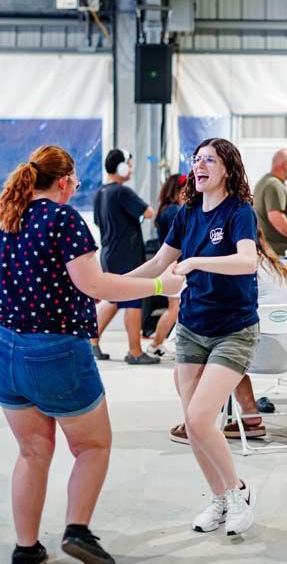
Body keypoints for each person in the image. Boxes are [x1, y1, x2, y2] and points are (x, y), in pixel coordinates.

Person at [0, 146, 181, 564]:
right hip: (57, 350)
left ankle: (26, 550)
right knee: (92, 446)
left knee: (31, 452)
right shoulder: (64, 220)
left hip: (7, 350)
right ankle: (77, 530)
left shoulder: (8, 218)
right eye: (75, 179)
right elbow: (95, 287)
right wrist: (160, 287)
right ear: (63, 182)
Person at [126, 138, 260, 536]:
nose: (199, 166)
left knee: (201, 418)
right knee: (193, 421)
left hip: (234, 330)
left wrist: (196, 261)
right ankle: (219, 499)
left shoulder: (239, 213)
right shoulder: (185, 214)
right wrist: (109, 284)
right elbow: (157, 263)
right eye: (196, 159)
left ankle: (238, 493)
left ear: (227, 169)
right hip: (191, 329)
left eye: (209, 160)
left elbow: (247, 261)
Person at [170, 226, 287, 443]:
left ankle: (195, 423)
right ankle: (250, 417)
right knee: (229, 348)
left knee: (215, 352)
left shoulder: (238, 268)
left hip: (260, 349)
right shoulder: (273, 264)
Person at [92, 149, 159, 365]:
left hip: (109, 253)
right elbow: (149, 212)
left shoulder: (100, 192)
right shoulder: (122, 192)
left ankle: (91, 341)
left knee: (114, 298)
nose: (130, 169)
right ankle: (135, 351)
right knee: (133, 300)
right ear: (119, 167)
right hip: (126, 254)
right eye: (128, 164)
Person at [146, 173, 188, 359]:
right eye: (186, 189)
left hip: (171, 266)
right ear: (178, 190)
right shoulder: (174, 212)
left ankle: (158, 343)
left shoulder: (167, 210)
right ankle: (155, 344)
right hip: (173, 267)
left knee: (176, 309)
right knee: (174, 309)